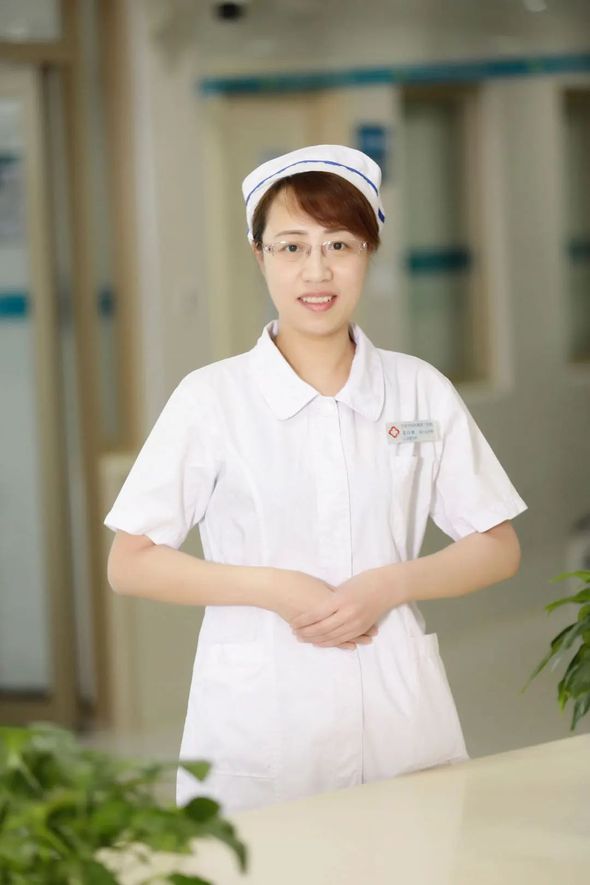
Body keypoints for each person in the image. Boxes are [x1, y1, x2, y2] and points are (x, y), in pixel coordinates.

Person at [104, 144, 527, 813]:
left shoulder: (419, 390)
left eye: (339, 244)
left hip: (396, 711)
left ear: (369, 251)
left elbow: (498, 545)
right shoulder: (211, 399)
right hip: (262, 722)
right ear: (259, 256)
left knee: (412, 851)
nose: (317, 270)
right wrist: (274, 588)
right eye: (291, 247)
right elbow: (130, 563)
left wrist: (390, 584)